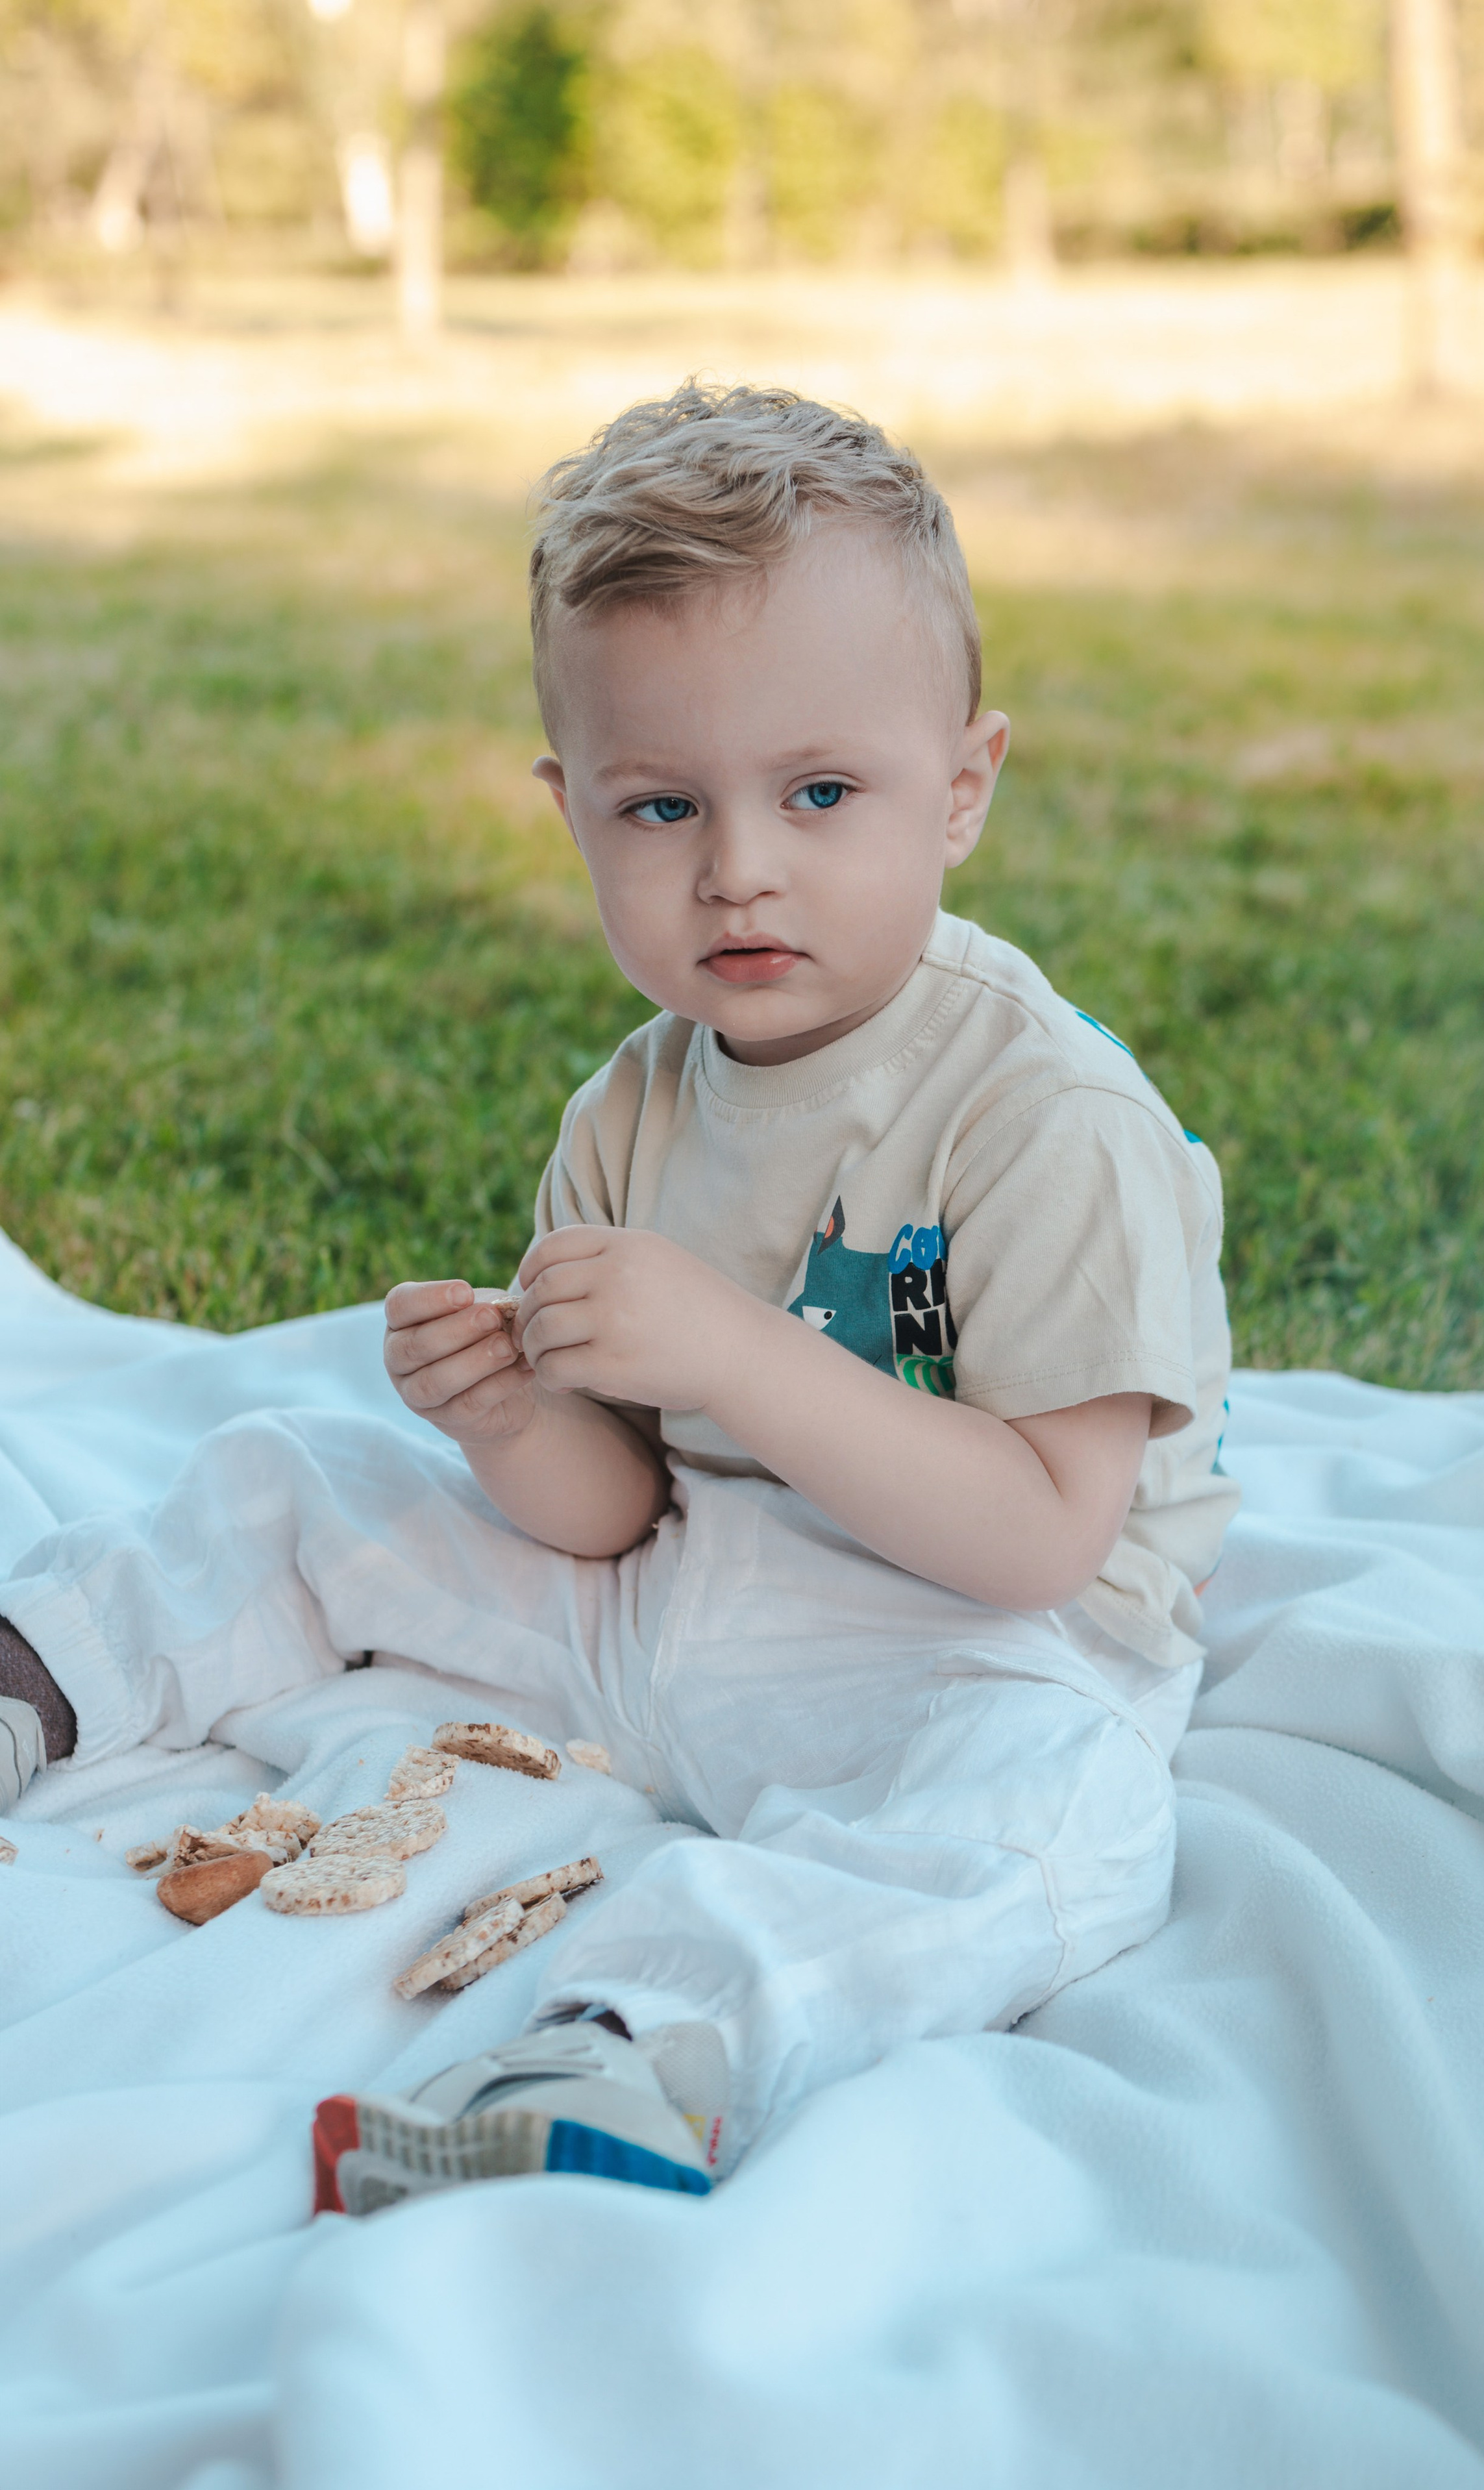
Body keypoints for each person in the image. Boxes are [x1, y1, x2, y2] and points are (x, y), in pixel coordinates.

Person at [0, 381, 1239, 2210]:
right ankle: (46, 1675)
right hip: (676, 1598)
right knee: (304, 1477)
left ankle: (623, 2042)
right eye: (661, 804)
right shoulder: (638, 1105)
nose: (739, 865)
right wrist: (514, 1414)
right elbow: (619, 1507)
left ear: (962, 788)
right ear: (570, 805)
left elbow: (1048, 1536)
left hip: (962, 1649)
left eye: (822, 793)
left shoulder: (1042, 1114)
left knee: (1061, 1818)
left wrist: (731, 1344)